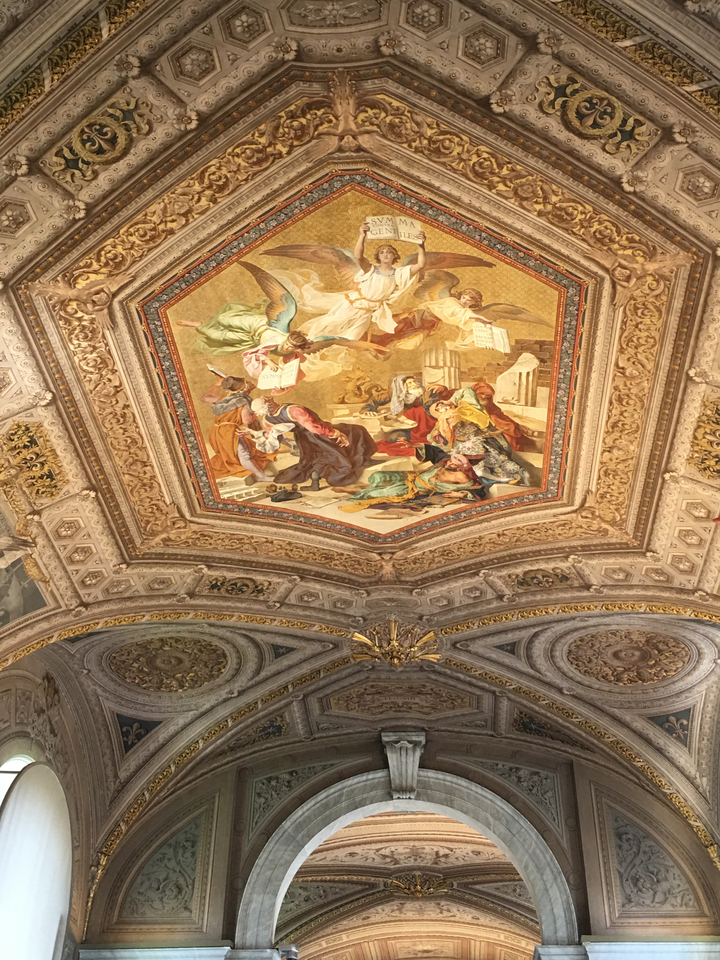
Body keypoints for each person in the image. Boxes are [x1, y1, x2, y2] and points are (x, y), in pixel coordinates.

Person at [300, 223, 426, 341]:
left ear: (394, 256)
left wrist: (421, 246)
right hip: (354, 304)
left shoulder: (399, 273)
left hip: (369, 311)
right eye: (382, 252)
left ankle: (328, 346)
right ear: (378, 256)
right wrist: (362, 236)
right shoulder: (371, 269)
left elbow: (420, 264)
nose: (386, 255)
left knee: (353, 337)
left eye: (389, 252)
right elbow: (358, 256)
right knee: (332, 323)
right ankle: (309, 339)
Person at [250, 397, 377, 487]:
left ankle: (363, 459)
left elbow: (270, 436)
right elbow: (314, 428)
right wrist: (336, 433)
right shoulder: (293, 410)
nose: (265, 396)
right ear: (269, 403)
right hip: (320, 436)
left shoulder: (267, 419)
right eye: (264, 398)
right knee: (356, 430)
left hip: (304, 441)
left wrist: (253, 433)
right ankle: (364, 459)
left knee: (313, 458)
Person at [339, 454, 482, 512]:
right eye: (451, 460)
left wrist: (460, 493)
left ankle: (356, 490)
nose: (449, 462)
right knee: (379, 476)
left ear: (462, 467)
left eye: (454, 463)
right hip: (412, 476)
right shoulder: (444, 464)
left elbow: (476, 489)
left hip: (417, 489)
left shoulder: (462, 477)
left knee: (380, 493)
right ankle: (362, 486)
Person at [202, 376, 275, 481]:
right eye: (247, 382)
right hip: (229, 432)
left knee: (246, 450)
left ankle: (257, 474)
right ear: (245, 388)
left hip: (217, 432)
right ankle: (261, 476)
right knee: (244, 454)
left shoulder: (224, 398)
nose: (250, 382)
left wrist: (217, 384)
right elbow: (247, 420)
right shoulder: (242, 401)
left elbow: (205, 397)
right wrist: (258, 412)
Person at [374, 375, 438, 457]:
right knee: (394, 437)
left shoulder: (424, 392)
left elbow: (430, 410)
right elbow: (374, 401)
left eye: (414, 381)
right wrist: (368, 410)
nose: (414, 384)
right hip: (404, 424)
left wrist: (413, 413)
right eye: (410, 383)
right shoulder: (394, 394)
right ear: (401, 386)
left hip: (422, 424)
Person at [471, 379, 532, 451]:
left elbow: (502, 416)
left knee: (509, 439)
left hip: (495, 430)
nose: (484, 397)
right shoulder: (468, 404)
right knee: (494, 419)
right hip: (477, 432)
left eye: (487, 395)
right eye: (481, 394)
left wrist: (517, 425)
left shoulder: (489, 404)